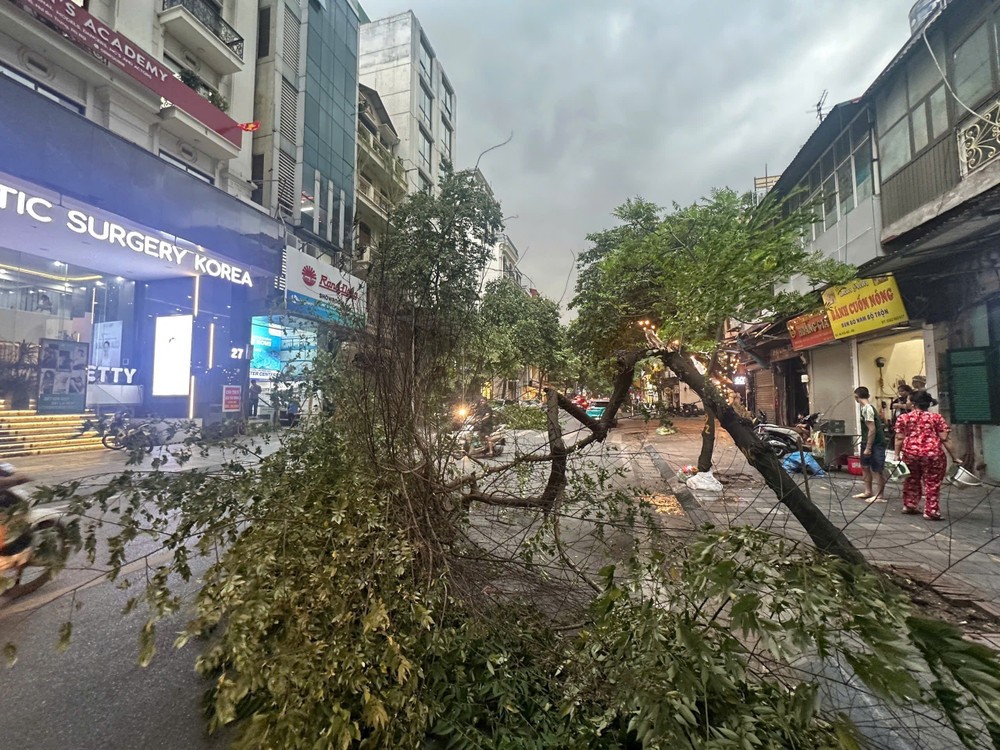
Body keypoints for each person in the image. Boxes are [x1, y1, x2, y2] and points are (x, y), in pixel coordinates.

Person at [894, 390, 957, 521]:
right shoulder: (936, 418)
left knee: (911, 479)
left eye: (908, 400)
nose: (906, 402)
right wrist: (955, 457)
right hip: (933, 455)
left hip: (910, 454)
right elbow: (945, 438)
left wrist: (896, 455)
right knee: (932, 482)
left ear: (913, 403)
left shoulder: (903, 418)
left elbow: (899, 438)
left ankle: (910, 505)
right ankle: (931, 510)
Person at [853, 386, 887, 501]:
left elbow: (872, 429)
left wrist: (868, 447)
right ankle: (868, 491)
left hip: (875, 442)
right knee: (865, 466)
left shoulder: (867, 409)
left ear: (856, 396)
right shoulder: (864, 408)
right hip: (866, 440)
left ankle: (879, 495)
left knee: (877, 468)